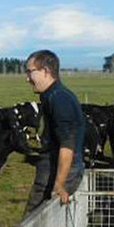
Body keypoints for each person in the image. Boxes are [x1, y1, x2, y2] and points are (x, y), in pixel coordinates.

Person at [24, 49, 85, 216]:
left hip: (58, 169)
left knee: (33, 224)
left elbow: (67, 145)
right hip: (52, 167)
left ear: (45, 71)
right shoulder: (50, 95)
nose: (27, 78)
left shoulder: (59, 99)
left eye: (30, 72)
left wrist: (59, 184)